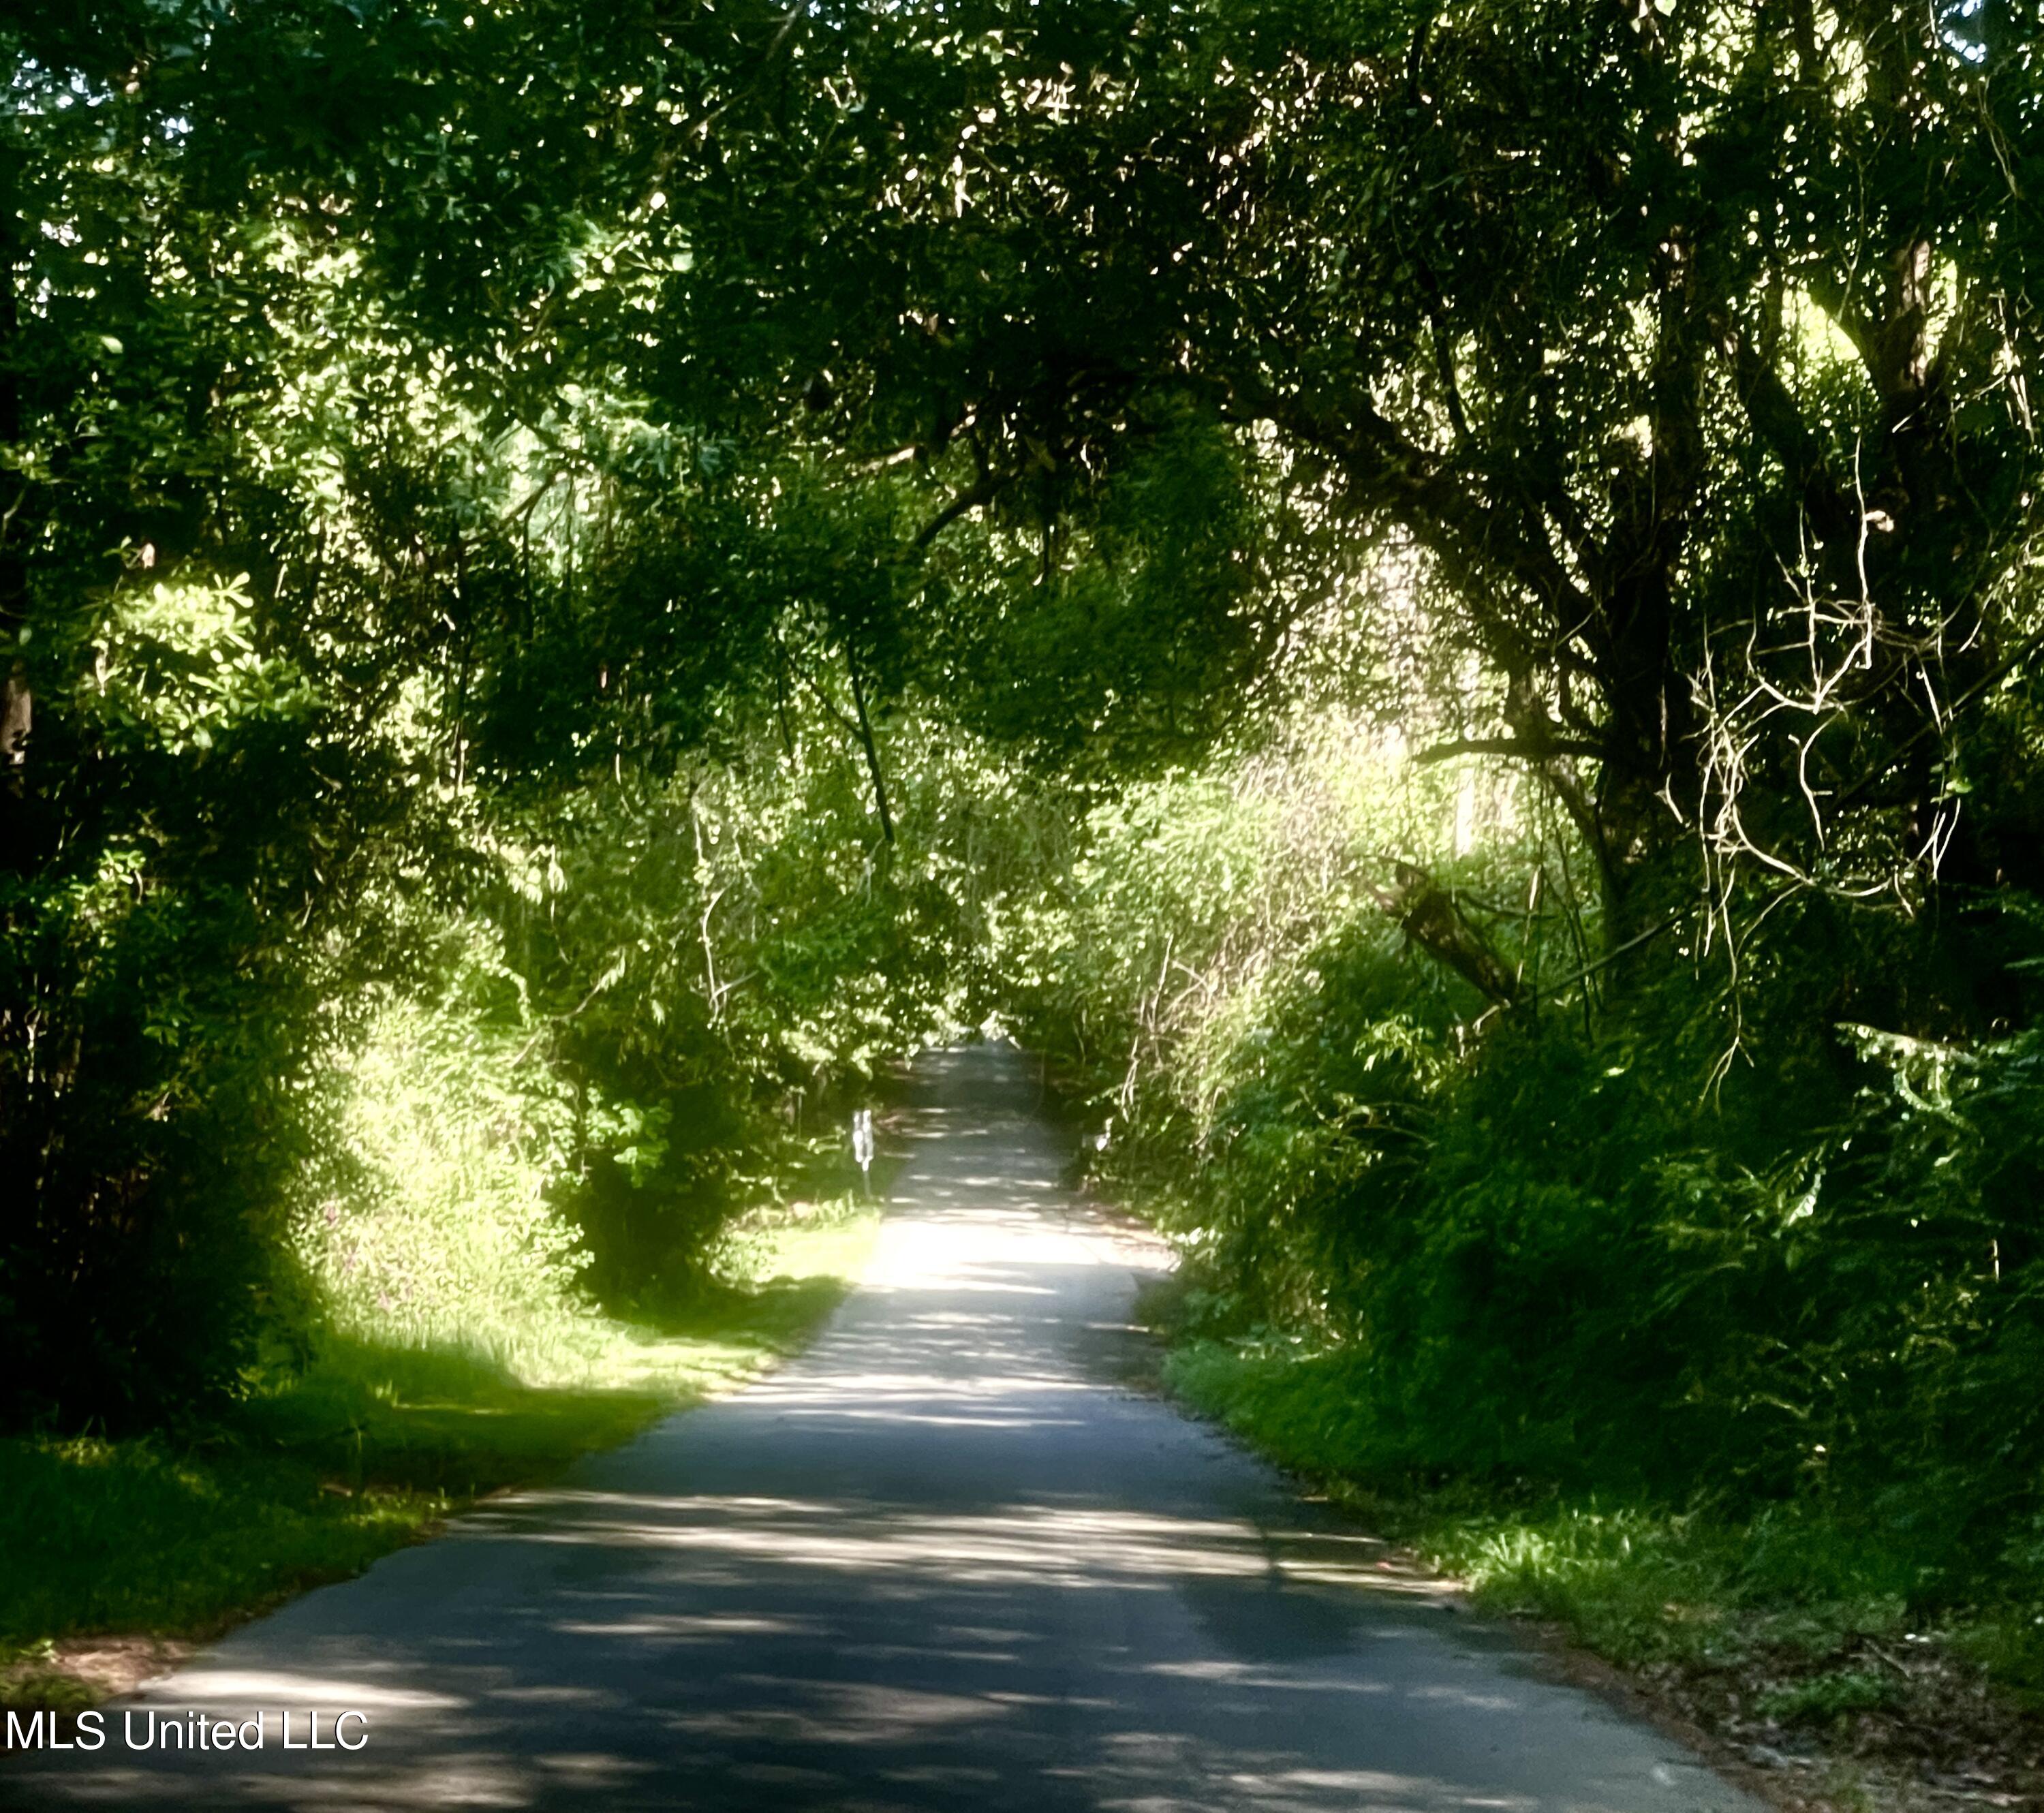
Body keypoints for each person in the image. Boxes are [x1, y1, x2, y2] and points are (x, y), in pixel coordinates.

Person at [851, 1108, 875, 1196]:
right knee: (864, 1132)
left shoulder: (862, 1158)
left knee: (861, 1133)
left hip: (862, 1148)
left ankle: (861, 1116)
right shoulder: (866, 1157)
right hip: (863, 1147)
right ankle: (864, 1116)